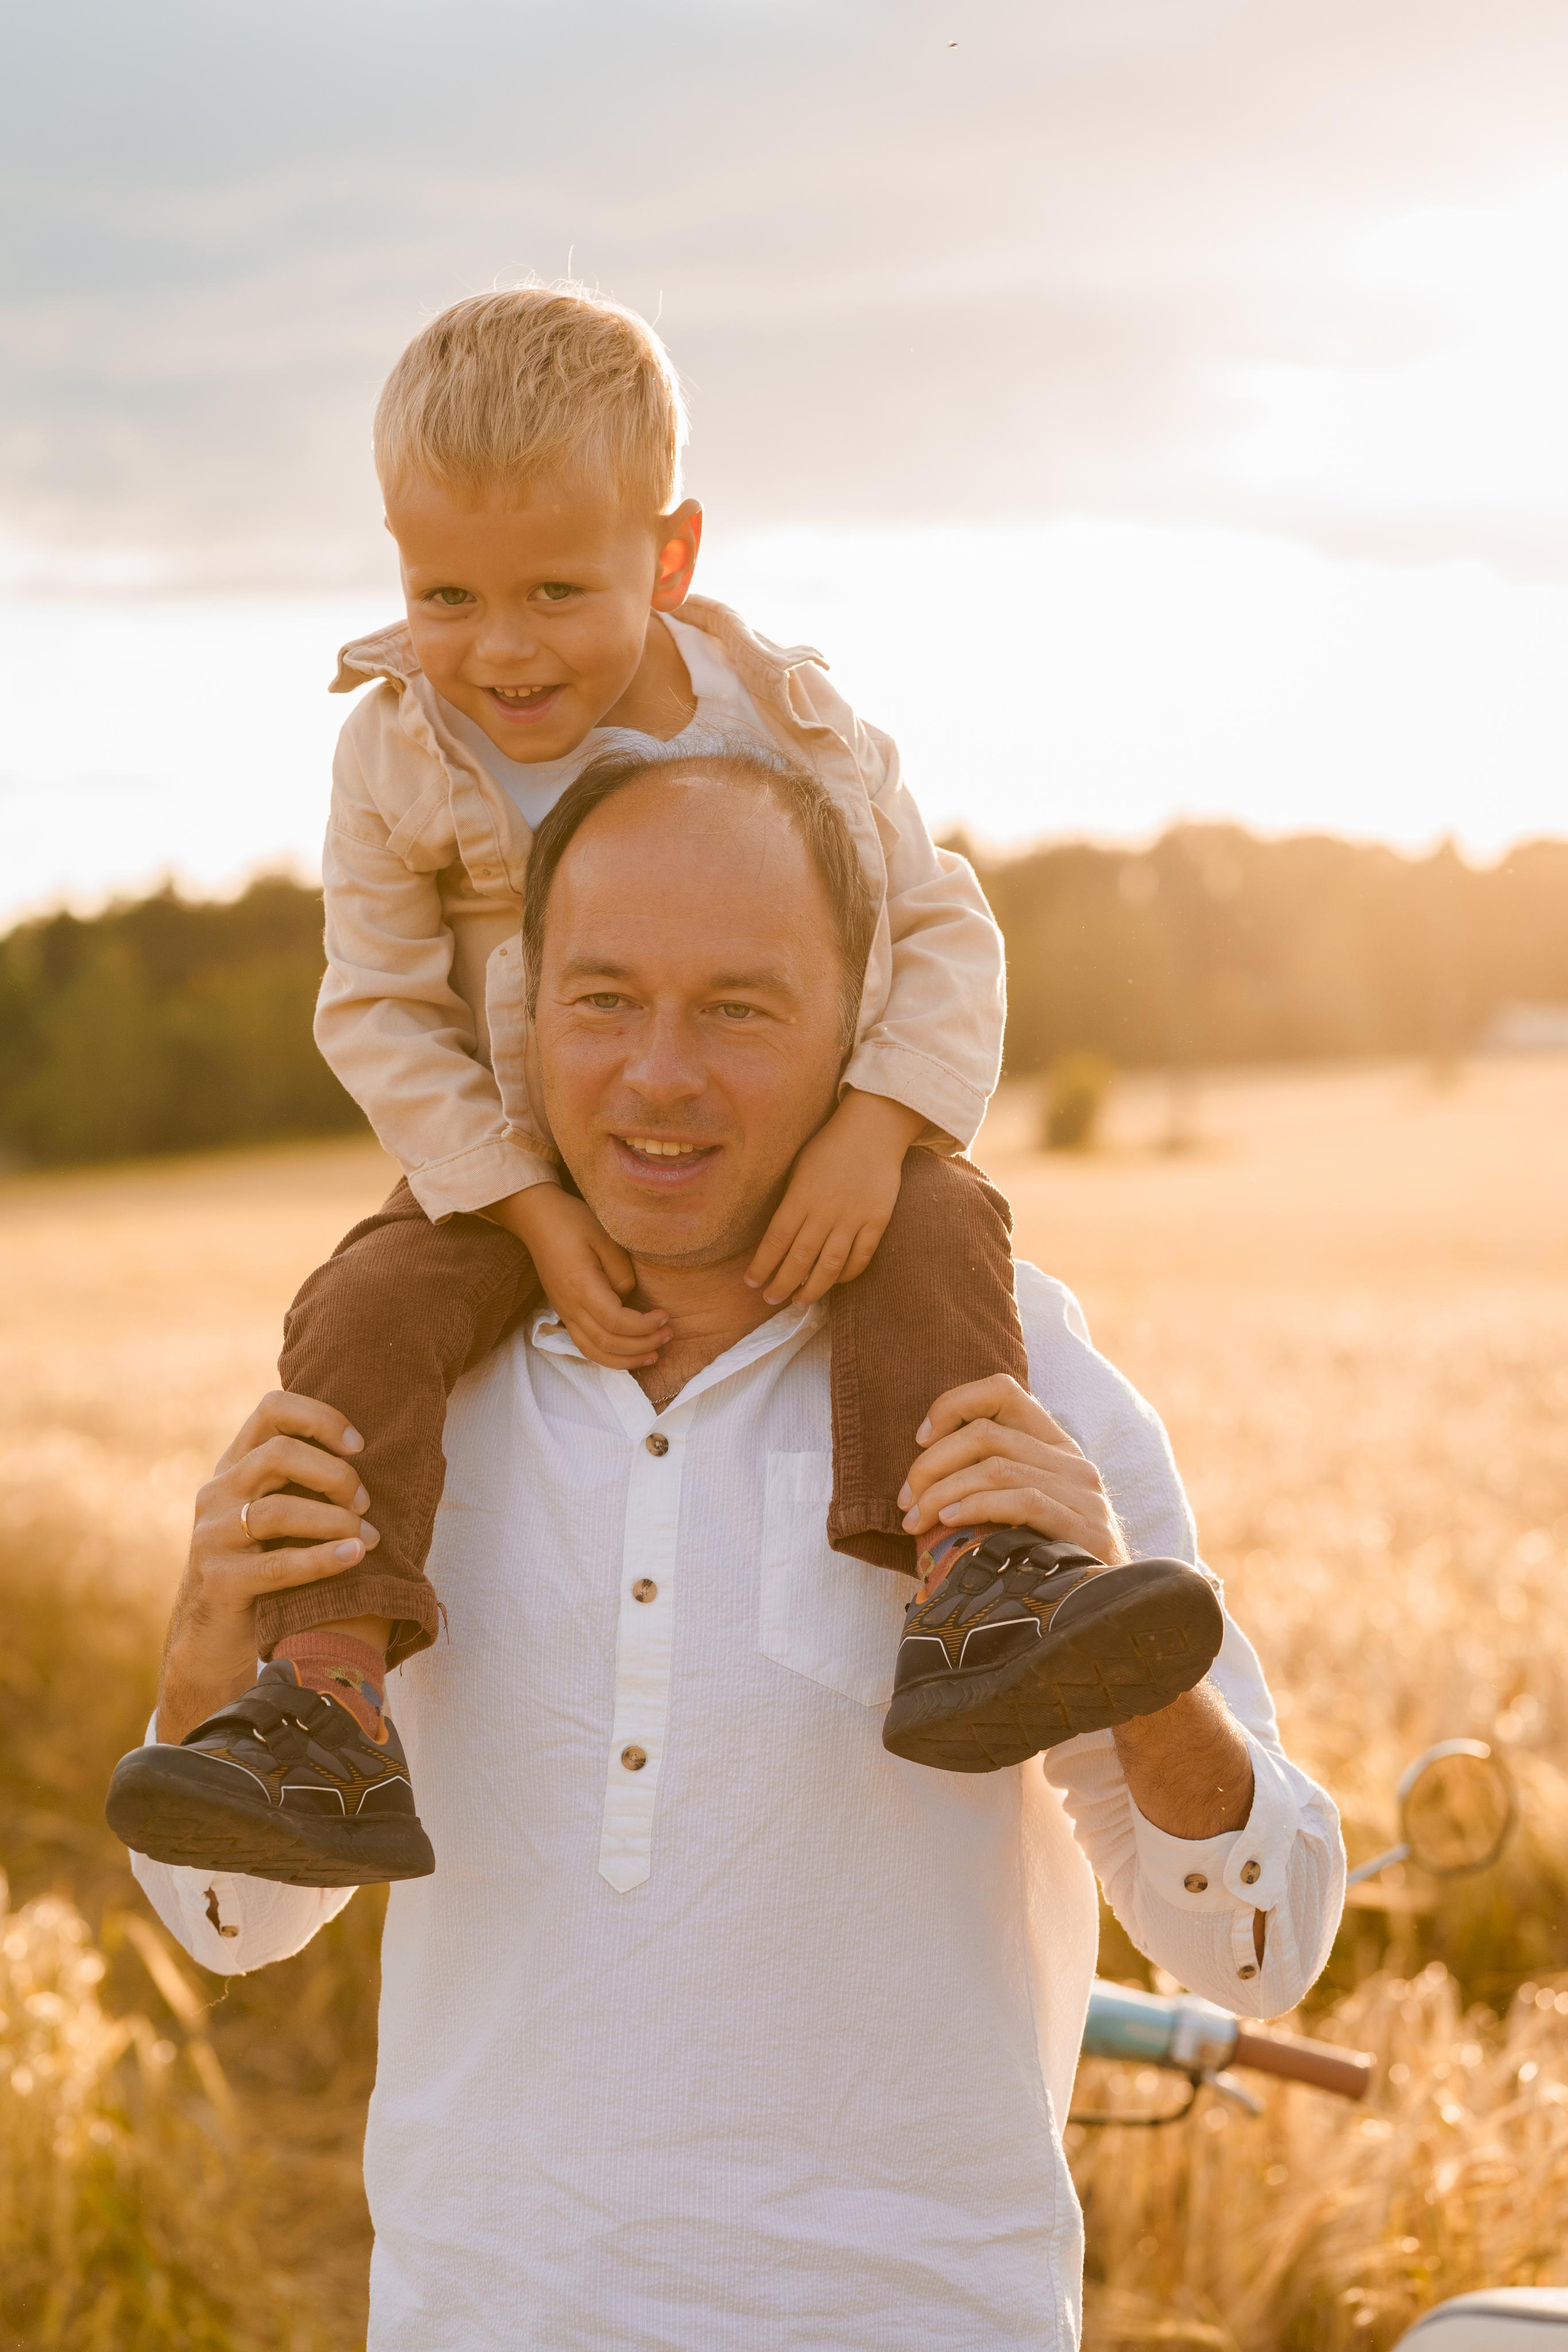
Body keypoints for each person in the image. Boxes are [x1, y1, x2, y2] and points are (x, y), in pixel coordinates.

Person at [124, 758, 1343, 2349]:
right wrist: (204, 1659)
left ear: (859, 1034)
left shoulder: (1009, 1374)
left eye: (741, 1010)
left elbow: (1263, 1940)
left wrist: (1127, 1651)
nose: (660, 1075)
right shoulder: (399, 1394)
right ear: (523, 1017)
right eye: (606, 1000)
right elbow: (235, 1928)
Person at [107, 285, 1222, 1888]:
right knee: (361, 1306)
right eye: (446, 593)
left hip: (801, 1147)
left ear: (673, 554)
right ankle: (321, 1699)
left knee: (935, 1235)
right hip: (503, 1155)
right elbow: (377, 1013)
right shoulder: (391, 754)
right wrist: (532, 1207)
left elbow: (939, 926)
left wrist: (873, 1127)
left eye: (559, 588)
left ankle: (986, 1582)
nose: (501, 648)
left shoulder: (782, 719)